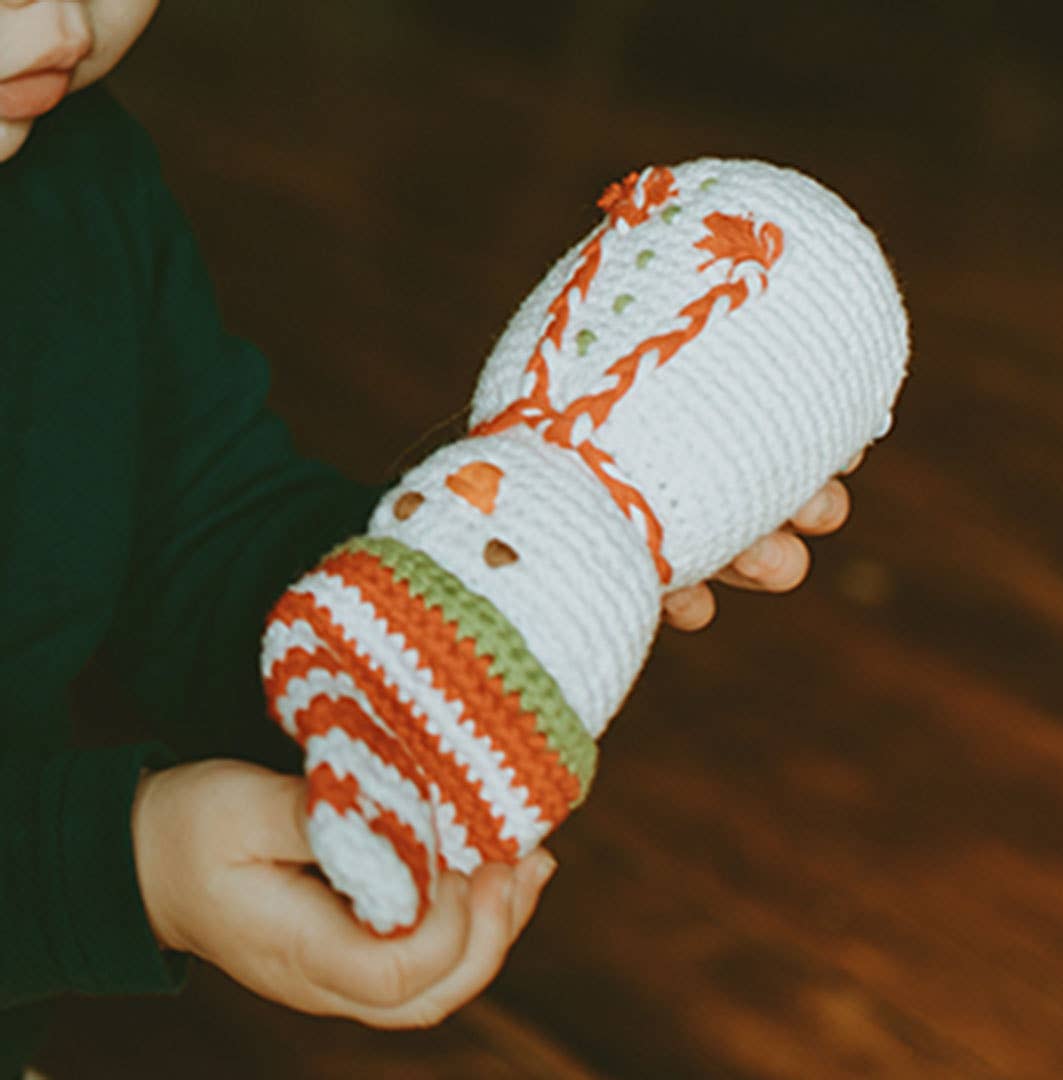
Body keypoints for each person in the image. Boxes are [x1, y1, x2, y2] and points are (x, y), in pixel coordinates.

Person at [0, 1, 859, 1075]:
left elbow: (204, 535)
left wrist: (510, 546)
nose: (59, 9)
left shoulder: (82, 176)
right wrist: (121, 872)